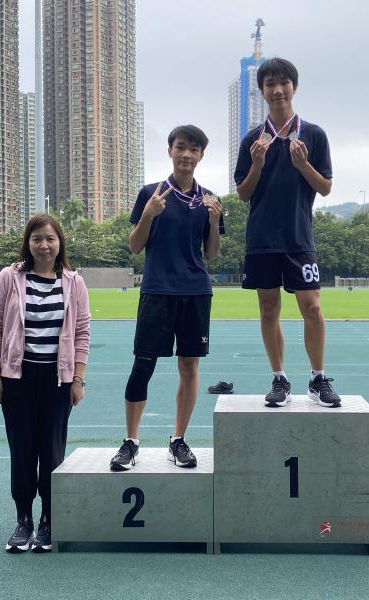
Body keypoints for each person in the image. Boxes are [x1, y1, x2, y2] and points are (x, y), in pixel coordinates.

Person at [109, 125, 224, 472]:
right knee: (143, 365)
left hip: (195, 292)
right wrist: (148, 214)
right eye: (181, 147)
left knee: (189, 367)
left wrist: (215, 221)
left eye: (194, 149)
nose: (187, 154)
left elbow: (212, 254)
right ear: (170, 151)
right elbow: (134, 245)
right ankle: (131, 442)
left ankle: (178, 440)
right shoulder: (151, 193)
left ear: (201, 155)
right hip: (157, 291)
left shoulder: (209, 200)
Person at [234, 57, 340, 409]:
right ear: (262, 91)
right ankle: (279, 378)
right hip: (261, 239)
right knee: (268, 309)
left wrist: (302, 164)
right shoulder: (253, 140)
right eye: (270, 84)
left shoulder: (313, 134)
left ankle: (317, 377)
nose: (277, 90)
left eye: (283, 83)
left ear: (293, 87)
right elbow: (244, 193)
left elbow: (324, 188)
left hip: (298, 237)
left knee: (312, 308)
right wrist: (258, 164)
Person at [0, 214, 90, 553]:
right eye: (37, 239)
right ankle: (22, 520)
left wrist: (78, 379)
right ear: (28, 243)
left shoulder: (74, 283)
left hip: (57, 381)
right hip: (18, 379)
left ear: (60, 243)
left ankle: (48, 520)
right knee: (22, 451)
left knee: (52, 452)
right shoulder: (9, 278)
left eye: (50, 239)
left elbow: (82, 333)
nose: (44, 245)